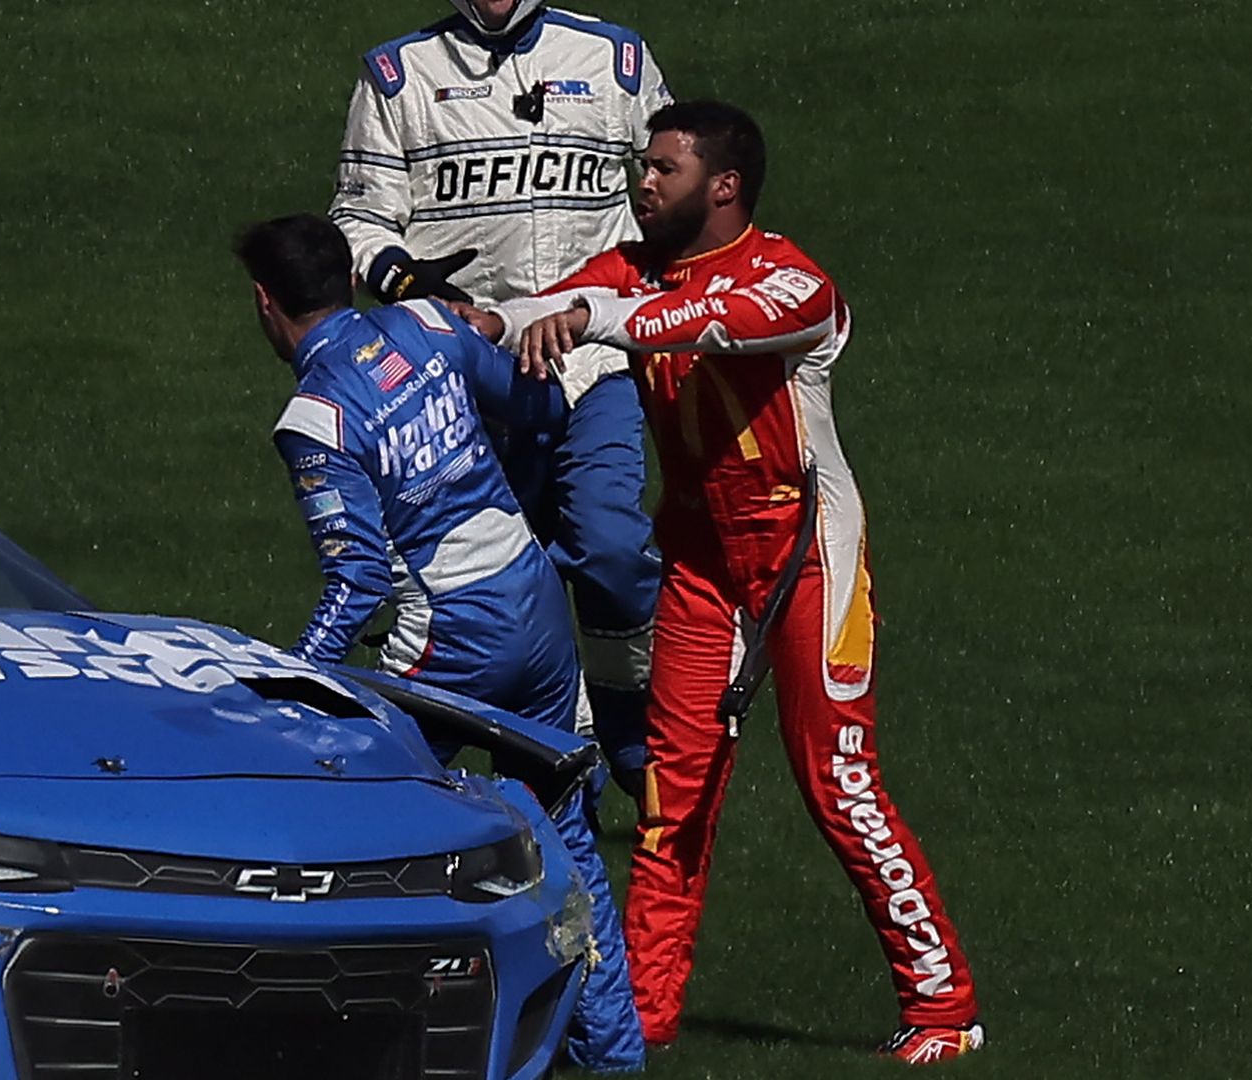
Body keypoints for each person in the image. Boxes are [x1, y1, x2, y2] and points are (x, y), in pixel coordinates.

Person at [466, 101, 986, 1063]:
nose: (644, 183)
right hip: (702, 564)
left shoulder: (792, 284)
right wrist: (495, 320)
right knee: (673, 802)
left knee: (840, 788)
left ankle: (944, 1004)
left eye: (664, 169)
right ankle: (646, 1016)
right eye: (644, 167)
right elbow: (559, 303)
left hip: (806, 560)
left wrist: (590, 319)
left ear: (725, 185)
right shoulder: (633, 270)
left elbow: (696, 324)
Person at [232, 213, 646, 1072]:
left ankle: (363, 1036)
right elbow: (534, 403)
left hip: (448, 640)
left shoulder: (314, 419)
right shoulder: (428, 323)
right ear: (348, 278)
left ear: (266, 305)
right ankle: (611, 1052)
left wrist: (294, 680)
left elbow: (357, 583)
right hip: (534, 606)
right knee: (569, 836)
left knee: (365, 827)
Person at [329, 0, 670, 799]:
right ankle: (416, 778)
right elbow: (357, 219)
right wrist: (408, 285)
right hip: (468, 378)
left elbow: (671, 184)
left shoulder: (616, 59)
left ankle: (627, 734)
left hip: (591, 361)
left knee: (614, 550)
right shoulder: (397, 75)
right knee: (479, 587)